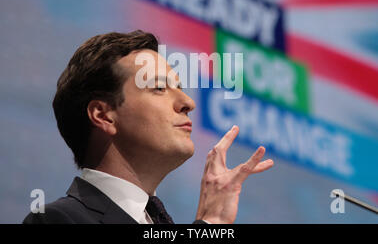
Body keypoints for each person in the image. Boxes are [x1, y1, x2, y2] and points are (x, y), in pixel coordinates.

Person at [23, 30, 274, 224]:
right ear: (103, 115)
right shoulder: (57, 219)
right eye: (159, 88)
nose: (188, 102)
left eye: (180, 88)